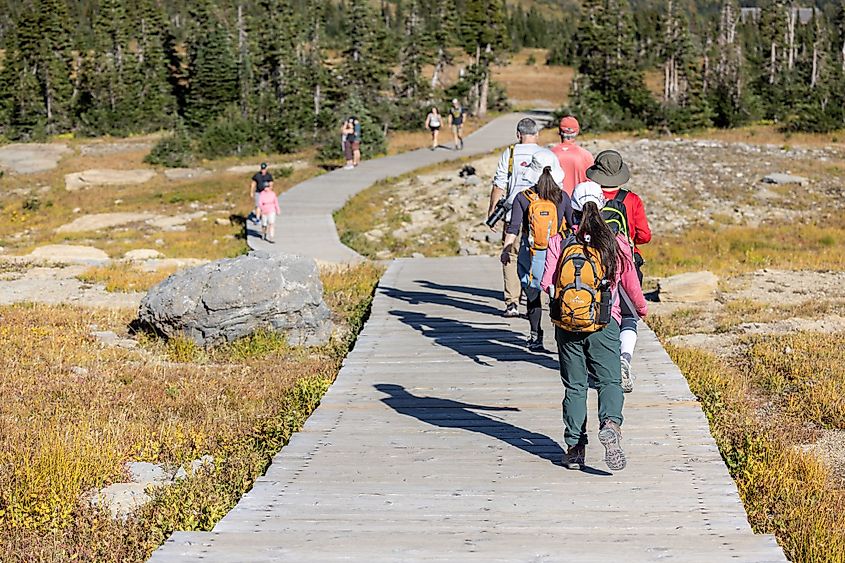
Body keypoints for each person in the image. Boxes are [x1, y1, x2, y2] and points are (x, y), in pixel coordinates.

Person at [541, 181, 648, 471]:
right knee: (609, 380)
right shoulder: (616, 242)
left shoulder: (559, 241)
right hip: (603, 322)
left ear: (573, 208)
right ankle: (611, 423)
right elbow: (631, 285)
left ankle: (575, 448)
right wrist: (641, 309)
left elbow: (546, 283)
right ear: (603, 206)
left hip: (567, 324)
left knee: (574, 386)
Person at [586, 150, 652, 393]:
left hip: (591, 263)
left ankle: (595, 364)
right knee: (628, 316)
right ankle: (624, 359)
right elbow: (645, 235)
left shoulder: (588, 196)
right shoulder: (631, 200)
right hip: (625, 265)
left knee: (594, 312)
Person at [488, 118, 562, 318]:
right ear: (537, 135)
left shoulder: (510, 153)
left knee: (510, 255)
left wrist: (492, 210)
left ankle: (512, 302)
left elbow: (499, 184)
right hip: (542, 214)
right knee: (539, 253)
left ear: (518, 134)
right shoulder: (545, 154)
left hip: (514, 211)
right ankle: (535, 297)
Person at [501, 152, 573, 351]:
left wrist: (507, 249)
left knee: (533, 295)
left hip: (530, 253)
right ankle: (563, 339)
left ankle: (535, 336)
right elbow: (573, 225)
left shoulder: (522, 198)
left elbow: (513, 227)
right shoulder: (562, 197)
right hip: (556, 253)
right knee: (557, 296)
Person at [551, 116, 594, 196]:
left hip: (556, 202)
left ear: (560, 131)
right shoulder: (586, 155)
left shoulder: (550, 154)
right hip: (578, 202)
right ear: (577, 132)